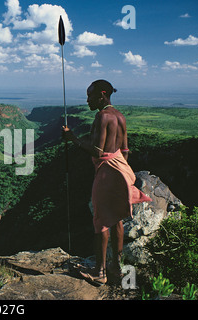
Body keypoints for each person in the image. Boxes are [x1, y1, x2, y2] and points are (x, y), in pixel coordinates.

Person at [62, 79, 152, 286]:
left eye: (90, 96)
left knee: (101, 220)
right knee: (116, 217)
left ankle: (99, 271)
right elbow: (126, 149)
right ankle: (116, 268)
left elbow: (97, 151)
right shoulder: (120, 116)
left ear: (102, 94)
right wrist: (120, 171)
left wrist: (73, 138)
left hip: (107, 170)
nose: (87, 100)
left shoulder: (102, 116)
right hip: (120, 166)